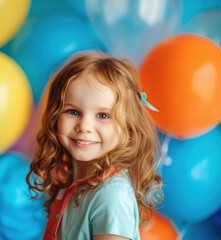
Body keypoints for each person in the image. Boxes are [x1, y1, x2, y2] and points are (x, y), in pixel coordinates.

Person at [26, 51, 163, 240]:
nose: (84, 126)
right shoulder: (74, 181)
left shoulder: (111, 194)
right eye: (73, 111)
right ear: (54, 115)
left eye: (103, 115)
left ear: (127, 127)